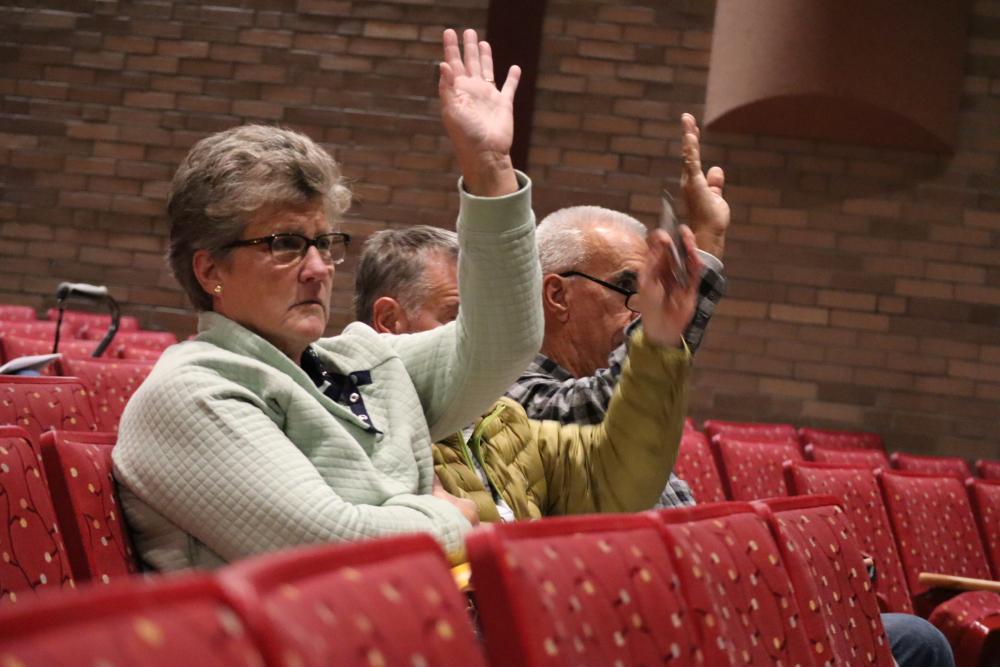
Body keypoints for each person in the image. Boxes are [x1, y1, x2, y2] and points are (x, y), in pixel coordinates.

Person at [112, 29, 543, 570]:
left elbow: (507, 339)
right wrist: (451, 519)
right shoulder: (192, 394)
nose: (318, 269)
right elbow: (334, 548)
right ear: (211, 269)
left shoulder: (362, 360)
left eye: (324, 242)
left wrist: (490, 169)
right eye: (285, 244)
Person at [355, 223, 700, 520]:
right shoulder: (361, 435)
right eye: (459, 317)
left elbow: (614, 476)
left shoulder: (505, 419)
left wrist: (658, 341)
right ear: (390, 322)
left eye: (488, 320)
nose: (487, 339)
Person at [506, 113, 729, 508]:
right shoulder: (511, 394)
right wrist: (705, 246)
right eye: (629, 287)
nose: (644, 309)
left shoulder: (625, 397)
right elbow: (606, 402)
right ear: (557, 295)